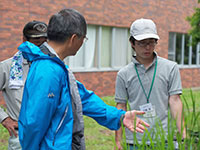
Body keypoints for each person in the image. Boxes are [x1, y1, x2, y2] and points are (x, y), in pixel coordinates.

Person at [18, 9, 150, 150]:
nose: (82, 43)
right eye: (84, 39)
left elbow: (83, 98)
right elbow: (33, 123)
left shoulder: (58, 67)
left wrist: (120, 116)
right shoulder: (47, 71)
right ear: (74, 38)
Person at [114, 18, 186, 150]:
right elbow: (121, 106)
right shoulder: (123, 74)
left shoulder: (170, 68)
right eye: (142, 43)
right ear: (132, 43)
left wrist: (183, 134)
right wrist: (118, 141)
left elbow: (175, 100)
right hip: (135, 140)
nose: (147, 47)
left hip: (164, 138)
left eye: (151, 42)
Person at [0, 21, 47, 150]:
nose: (41, 47)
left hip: (47, 135)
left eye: (44, 42)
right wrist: (4, 118)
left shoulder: (49, 66)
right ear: (24, 40)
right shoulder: (7, 67)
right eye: (36, 42)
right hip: (21, 138)